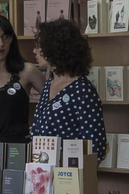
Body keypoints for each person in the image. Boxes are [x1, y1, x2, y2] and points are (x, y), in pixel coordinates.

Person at [30, 18, 107, 161]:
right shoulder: (49, 84)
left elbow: (95, 145)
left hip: (69, 171)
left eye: (39, 45)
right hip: (42, 168)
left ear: (55, 48)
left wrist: (76, 172)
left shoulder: (83, 91)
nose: (34, 50)